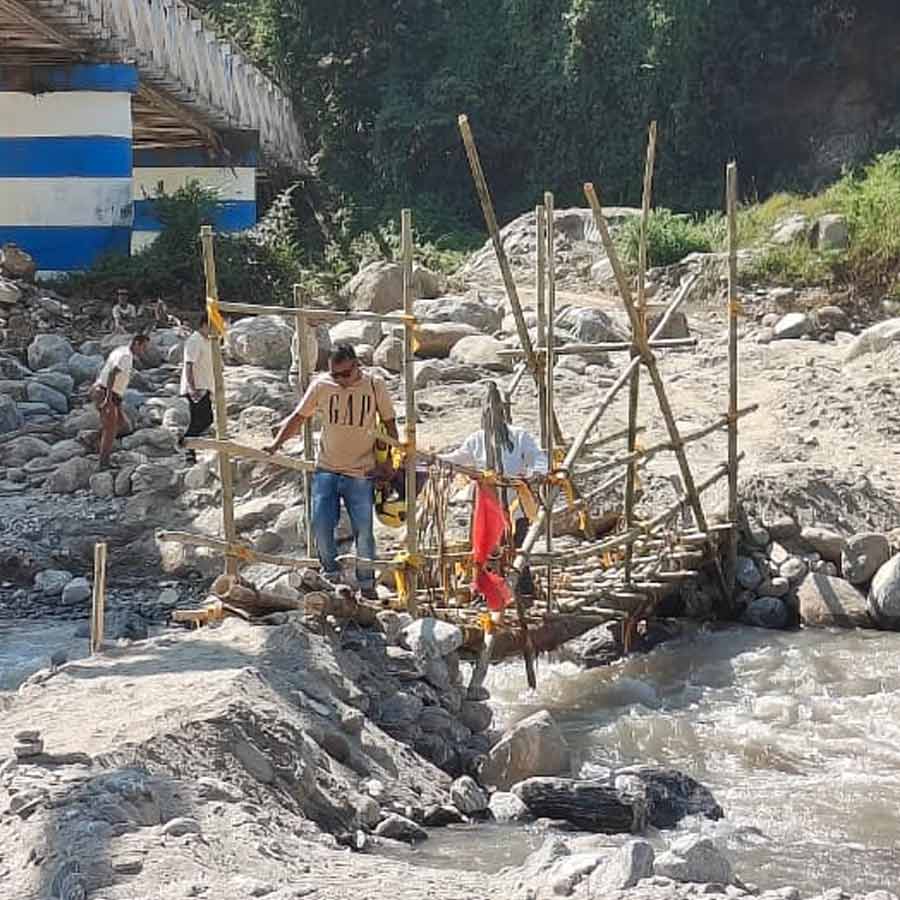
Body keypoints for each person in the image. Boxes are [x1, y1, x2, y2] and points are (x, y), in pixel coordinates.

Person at [263, 343, 397, 600]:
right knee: (321, 524)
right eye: (336, 375)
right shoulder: (323, 386)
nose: (341, 380)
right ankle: (331, 575)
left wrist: (389, 461)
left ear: (357, 366)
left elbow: (389, 422)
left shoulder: (374, 385)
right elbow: (299, 417)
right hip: (327, 467)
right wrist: (276, 444)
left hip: (361, 471)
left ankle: (367, 582)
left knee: (364, 531)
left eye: (345, 374)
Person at [441, 384, 548, 594]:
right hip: (487, 507)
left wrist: (536, 473)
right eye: (488, 412)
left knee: (518, 549)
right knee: (487, 550)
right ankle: (489, 593)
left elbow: (537, 457)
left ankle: (523, 592)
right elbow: (457, 458)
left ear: (503, 412)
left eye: (496, 411)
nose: (492, 416)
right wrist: (432, 459)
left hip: (516, 505)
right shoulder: (476, 440)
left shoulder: (519, 436)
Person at [91, 334, 150, 468]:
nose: (144, 351)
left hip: (111, 393)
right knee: (110, 429)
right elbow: (112, 373)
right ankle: (103, 463)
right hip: (106, 392)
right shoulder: (126, 356)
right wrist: (108, 399)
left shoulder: (120, 350)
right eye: (143, 347)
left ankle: (93, 439)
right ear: (136, 343)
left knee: (122, 425)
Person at [178, 313, 215, 465]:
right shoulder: (194, 340)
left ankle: (187, 447)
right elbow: (188, 365)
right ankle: (186, 446)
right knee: (202, 420)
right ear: (205, 324)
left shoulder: (207, 341)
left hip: (204, 386)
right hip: (196, 388)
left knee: (204, 420)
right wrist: (192, 388)